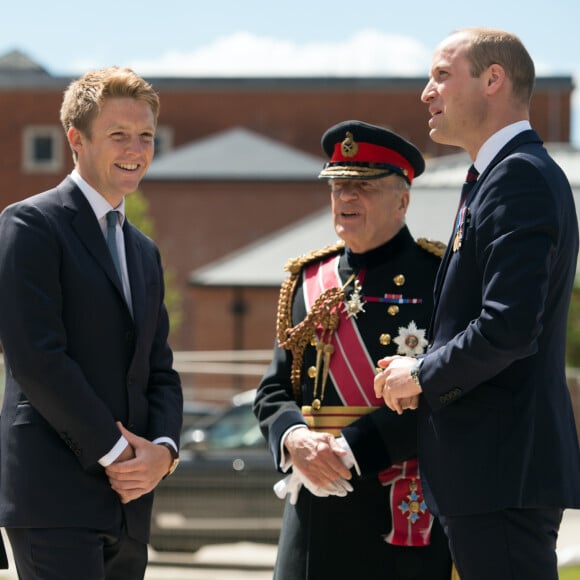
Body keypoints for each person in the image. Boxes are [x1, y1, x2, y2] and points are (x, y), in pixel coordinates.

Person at [375, 27, 580, 580]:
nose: (426, 92)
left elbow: (509, 327)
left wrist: (420, 372)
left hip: (501, 474)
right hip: (489, 474)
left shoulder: (519, 177)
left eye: (442, 75)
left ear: (494, 79)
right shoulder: (496, 176)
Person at [0, 66, 183, 579]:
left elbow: (160, 371)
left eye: (145, 136)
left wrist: (164, 453)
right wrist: (122, 453)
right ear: (76, 139)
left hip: (129, 507)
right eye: (119, 135)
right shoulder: (30, 224)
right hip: (53, 497)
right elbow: (36, 359)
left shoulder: (144, 251)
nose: (136, 149)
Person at [254, 120, 453, 580]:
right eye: (339, 186)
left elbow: (448, 390)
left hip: (398, 511)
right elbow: (273, 391)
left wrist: (350, 449)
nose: (345, 199)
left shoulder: (438, 278)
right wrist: (295, 439)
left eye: (363, 187)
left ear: (403, 199)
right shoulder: (308, 279)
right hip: (315, 511)